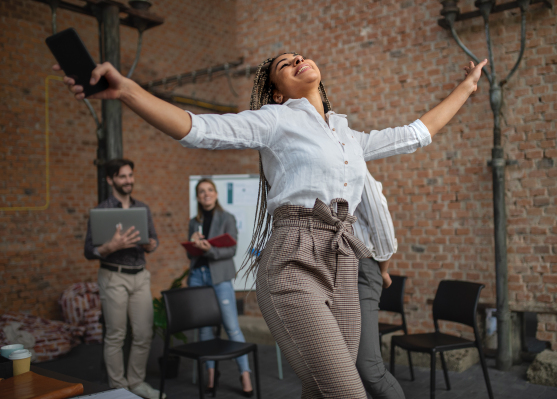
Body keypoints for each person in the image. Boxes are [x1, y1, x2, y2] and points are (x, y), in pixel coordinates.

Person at [58, 52, 486, 398]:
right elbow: (199, 129)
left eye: (300, 55)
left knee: (320, 390)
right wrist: (129, 91)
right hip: (293, 261)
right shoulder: (275, 120)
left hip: (343, 262)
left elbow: (416, 133)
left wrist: (467, 87)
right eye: (286, 63)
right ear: (277, 92)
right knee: (348, 393)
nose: (299, 59)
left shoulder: (347, 136)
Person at [83, 159, 163, 399]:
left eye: (130, 175)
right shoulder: (101, 211)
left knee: (143, 333)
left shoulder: (143, 209)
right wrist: (110, 246)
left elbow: (154, 240)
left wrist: (151, 245)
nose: (128, 180)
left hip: (140, 277)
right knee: (116, 335)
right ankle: (118, 389)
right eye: (122, 177)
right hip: (113, 277)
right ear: (111, 180)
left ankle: (136, 383)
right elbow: (88, 251)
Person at [187, 178, 253, 397]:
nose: (206, 194)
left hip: (220, 277)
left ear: (215, 194)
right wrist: (194, 244)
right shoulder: (193, 221)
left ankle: (244, 374)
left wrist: (208, 250)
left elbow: (231, 250)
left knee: (232, 326)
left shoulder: (227, 218)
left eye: (210, 190)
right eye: (201, 191)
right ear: (197, 197)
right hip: (198, 276)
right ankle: (211, 375)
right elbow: (190, 254)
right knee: (204, 328)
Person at [354, 170, 405, 398]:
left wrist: (383, 270)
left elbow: (381, 223)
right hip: (334, 267)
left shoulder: (352, 165)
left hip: (361, 265)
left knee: (369, 367)